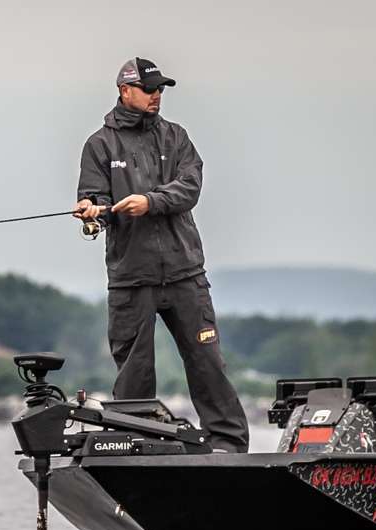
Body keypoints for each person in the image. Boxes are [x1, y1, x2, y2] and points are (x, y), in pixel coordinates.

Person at [75, 57, 249, 453]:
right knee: (135, 372)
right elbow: (95, 198)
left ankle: (229, 447)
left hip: (185, 274)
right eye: (150, 89)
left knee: (208, 365)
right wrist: (91, 209)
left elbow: (189, 188)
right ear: (124, 91)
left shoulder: (177, 138)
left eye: (160, 90)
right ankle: (135, 445)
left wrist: (149, 202)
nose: (157, 96)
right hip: (131, 280)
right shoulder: (99, 145)